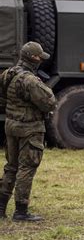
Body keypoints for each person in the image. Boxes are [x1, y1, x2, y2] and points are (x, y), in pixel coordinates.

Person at [0, 41, 57, 221]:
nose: (41, 60)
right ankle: (21, 211)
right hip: (29, 128)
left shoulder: (7, 75)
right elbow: (49, 103)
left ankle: (1, 208)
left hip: (11, 125)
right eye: (39, 57)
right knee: (27, 168)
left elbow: (3, 99)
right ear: (33, 58)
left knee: (11, 167)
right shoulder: (31, 80)